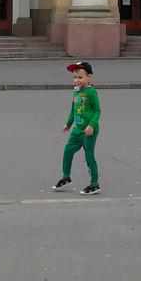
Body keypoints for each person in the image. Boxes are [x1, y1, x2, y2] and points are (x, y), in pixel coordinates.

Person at [52, 61, 101, 195]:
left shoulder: (91, 92)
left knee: (89, 156)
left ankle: (95, 184)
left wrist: (92, 125)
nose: (76, 80)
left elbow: (97, 111)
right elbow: (73, 110)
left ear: (89, 77)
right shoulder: (76, 92)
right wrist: (68, 124)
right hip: (77, 130)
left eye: (80, 77)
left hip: (89, 130)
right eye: (75, 77)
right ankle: (66, 176)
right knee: (68, 151)